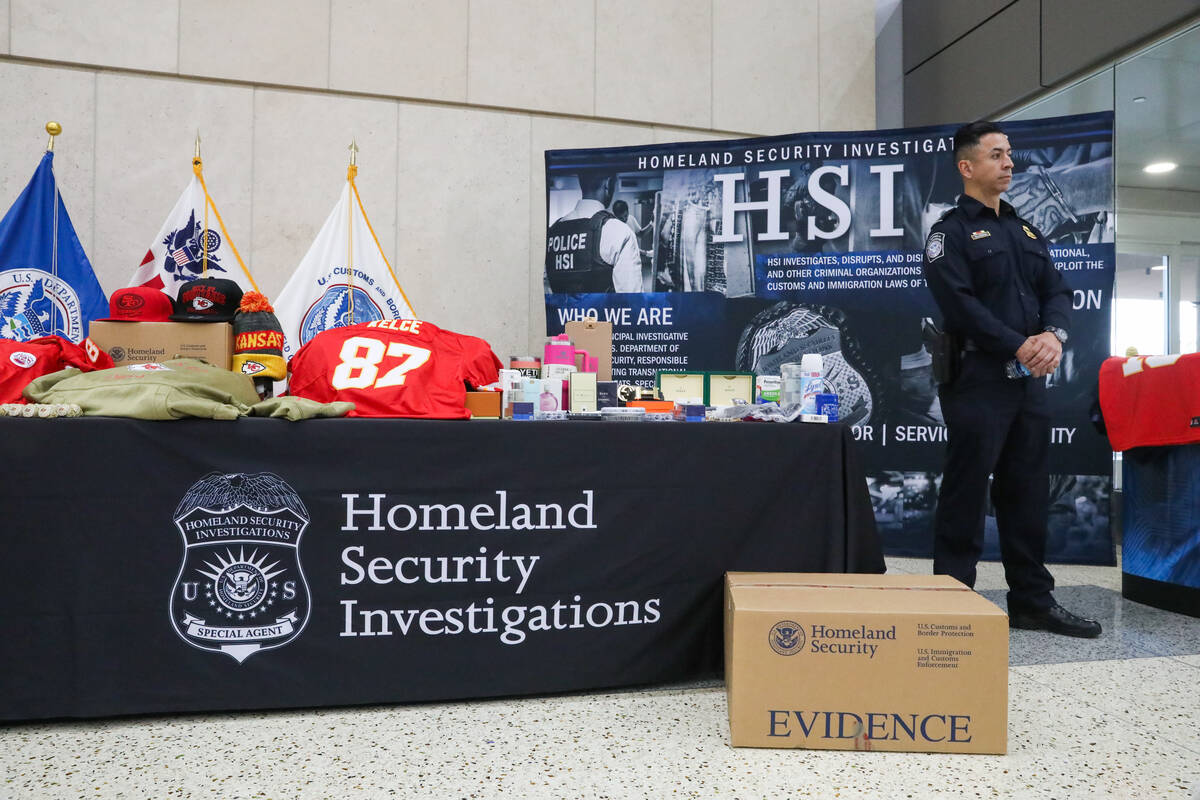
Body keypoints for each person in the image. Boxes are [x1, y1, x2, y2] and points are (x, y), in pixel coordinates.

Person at [921, 121, 1102, 638]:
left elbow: (1058, 292)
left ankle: (1032, 602)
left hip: (1026, 380)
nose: (1009, 163)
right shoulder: (948, 234)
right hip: (976, 377)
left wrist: (1054, 336)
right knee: (966, 489)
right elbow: (959, 303)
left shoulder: (1025, 230)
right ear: (967, 167)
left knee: (1026, 491)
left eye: (1009, 154)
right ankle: (951, 598)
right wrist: (1017, 342)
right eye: (997, 155)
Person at [545, 170, 642, 293]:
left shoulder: (553, 231)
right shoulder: (620, 232)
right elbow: (631, 301)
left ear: (581, 183)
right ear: (608, 183)